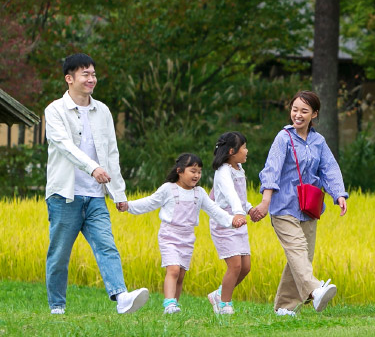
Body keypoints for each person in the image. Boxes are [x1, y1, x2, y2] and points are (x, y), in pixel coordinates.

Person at [43, 53, 150, 315]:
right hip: (64, 195)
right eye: (85, 74)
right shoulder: (54, 110)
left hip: (95, 196)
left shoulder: (102, 111)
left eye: (93, 74)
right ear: (69, 79)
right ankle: (57, 306)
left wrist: (119, 192)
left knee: (107, 245)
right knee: (59, 255)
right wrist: (93, 168)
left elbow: (111, 153)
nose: (91, 79)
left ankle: (121, 297)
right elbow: (65, 147)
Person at [249, 90, 348, 317]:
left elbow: (329, 169)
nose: (298, 115)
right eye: (295, 110)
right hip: (283, 207)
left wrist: (338, 194)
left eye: (304, 111)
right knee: (297, 251)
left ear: (314, 114)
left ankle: (284, 308)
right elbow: (271, 170)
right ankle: (315, 290)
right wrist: (265, 202)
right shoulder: (283, 138)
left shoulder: (318, 141)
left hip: (309, 208)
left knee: (302, 257)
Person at [126, 153, 246, 314]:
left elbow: (215, 211)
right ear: (180, 171)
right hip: (169, 235)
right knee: (173, 270)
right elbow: (149, 202)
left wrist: (232, 221)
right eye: (193, 171)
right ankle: (168, 304)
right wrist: (128, 206)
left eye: (199, 172)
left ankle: (174, 304)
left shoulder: (199, 193)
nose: (197, 175)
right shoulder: (168, 189)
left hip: (187, 237)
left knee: (181, 274)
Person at [207, 131, 254, 315]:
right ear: (232, 151)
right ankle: (224, 305)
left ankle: (219, 294)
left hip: (238, 220)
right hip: (225, 222)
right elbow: (230, 194)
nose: (247, 151)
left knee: (245, 267)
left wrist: (249, 209)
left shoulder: (239, 169)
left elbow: (241, 197)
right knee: (234, 265)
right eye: (244, 147)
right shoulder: (223, 172)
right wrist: (238, 214)